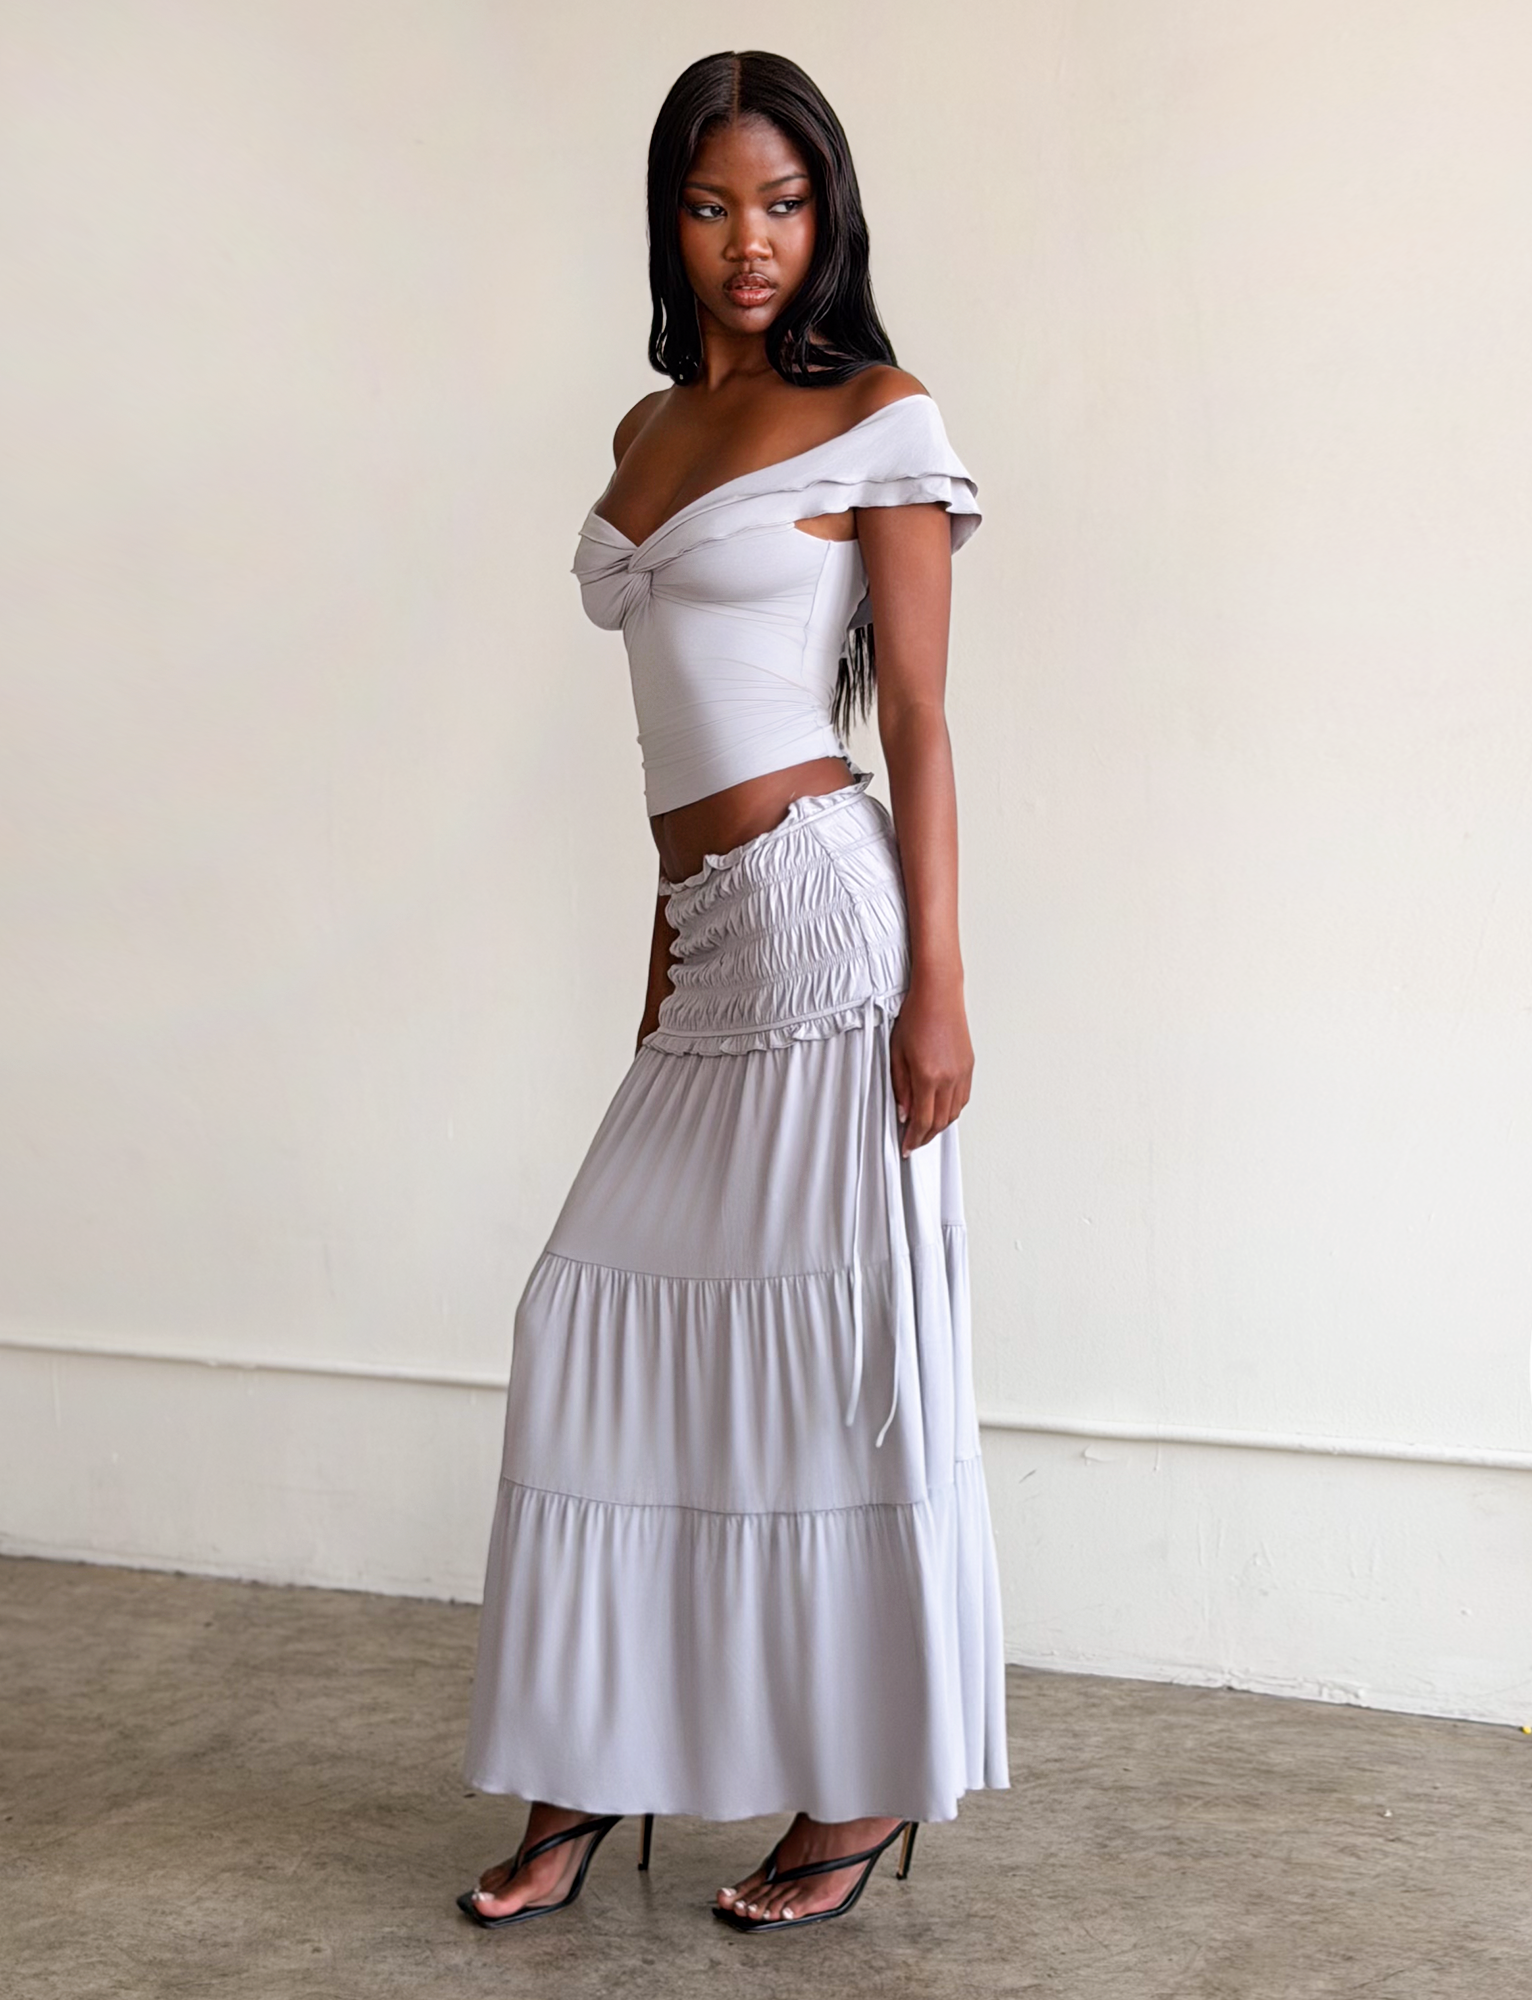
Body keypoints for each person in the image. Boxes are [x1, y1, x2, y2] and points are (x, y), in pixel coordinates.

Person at [458, 47, 1009, 1935]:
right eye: (711, 206)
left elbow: (917, 717)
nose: (748, 242)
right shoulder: (647, 429)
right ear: (669, 222)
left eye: (781, 203)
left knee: (832, 1366)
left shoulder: (881, 417)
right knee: (589, 1324)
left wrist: (941, 989)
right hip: (706, 939)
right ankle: (593, 1755)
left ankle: (854, 1793)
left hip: (835, 934)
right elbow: (662, 762)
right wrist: (659, 967)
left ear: (826, 212)